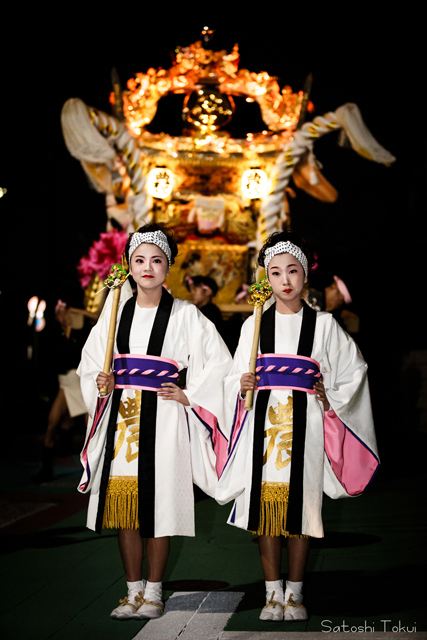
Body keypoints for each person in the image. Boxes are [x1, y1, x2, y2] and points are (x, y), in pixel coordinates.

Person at [216, 230, 379, 622]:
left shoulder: (324, 326)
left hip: (306, 423)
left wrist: (328, 396)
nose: (284, 280)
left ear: (305, 276)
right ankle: (273, 592)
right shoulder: (253, 325)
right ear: (266, 278)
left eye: (292, 271)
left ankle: (296, 592)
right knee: (268, 508)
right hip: (264, 426)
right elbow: (233, 376)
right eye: (275, 272)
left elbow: (354, 373)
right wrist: (241, 385)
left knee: (303, 508)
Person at [77, 224, 231, 621]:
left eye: (157, 261)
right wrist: (102, 382)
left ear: (169, 268)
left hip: (165, 418)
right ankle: (131, 591)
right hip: (124, 417)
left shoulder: (186, 315)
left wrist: (190, 394)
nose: (148, 267)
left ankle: (155, 591)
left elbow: (219, 362)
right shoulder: (114, 313)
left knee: (158, 506)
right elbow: (92, 361)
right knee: (125, 508)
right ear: (128, 265)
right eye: (139, 260)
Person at [33, 301, 90, 483]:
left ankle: (93, 471)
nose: (67, 317)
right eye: (64, 314)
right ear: (58, 317)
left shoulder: (81, 333)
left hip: (81, 384)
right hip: (65, 385)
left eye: (68, 313)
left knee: (91, 431)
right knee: (51, 425)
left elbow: (96, 317)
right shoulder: (54, 335)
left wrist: (76, 310)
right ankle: (46, 470)